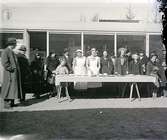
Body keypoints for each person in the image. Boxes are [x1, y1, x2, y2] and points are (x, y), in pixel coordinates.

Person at [1, 38, 22, 108]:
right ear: (11, 44)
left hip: (13, 73)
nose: (16, 45)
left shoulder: (11, 51)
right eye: (15, 44)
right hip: (9, 74)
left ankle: (11, 102)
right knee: (8, 88)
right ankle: (6, 104)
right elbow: (4, 62)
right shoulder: (6, 51)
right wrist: (11, 68)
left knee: (13, 88)